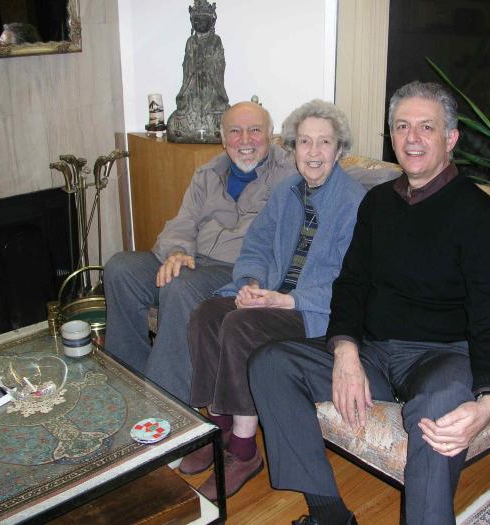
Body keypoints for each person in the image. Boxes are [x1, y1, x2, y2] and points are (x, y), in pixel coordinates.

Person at [248, 81, 490, 525]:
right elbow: (350, 285)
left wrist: (488, 399)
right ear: (391, 136)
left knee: (440, 410)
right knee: (270, 363)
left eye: (426, 127)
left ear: (450, 138)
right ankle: (329, 514)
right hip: (373, 351)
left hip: (440, 356)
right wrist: (346, 351)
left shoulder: (478, 214)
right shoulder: (376, 205)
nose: (412, 138)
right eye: (402, 126)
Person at [178, 100, 367, 501]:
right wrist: (249, 283)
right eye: (304, 142)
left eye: (324, 143)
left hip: (315, 312)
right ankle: (221, 428)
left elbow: (354, 283)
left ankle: (244, 452)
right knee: (208, 313)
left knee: (240, 325)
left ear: (339, 150)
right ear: (293, 148)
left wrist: (286, 301)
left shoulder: (355, 204)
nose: (313, 152)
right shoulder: (286, 192)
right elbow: (256, 248)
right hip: (274, 296)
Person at [104, 101, 296, 403]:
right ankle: (126, 381)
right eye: (235, 131)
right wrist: (178, 252)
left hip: (237, 270)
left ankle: (165, 405)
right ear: (223, 138)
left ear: (271, 135)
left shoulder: (289, 175)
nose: (245, 140)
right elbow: (183, 221)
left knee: (180, 286)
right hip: (195, 259)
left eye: (255, 130)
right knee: (120, 268)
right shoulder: (209, 172)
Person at [166, 0, 229, 142]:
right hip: (193, 85)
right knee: (181, 112)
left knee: (220, 109)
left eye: (203, 20)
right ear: (192, 22)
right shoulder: (190, 42)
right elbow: (187, 66)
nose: (199, 23)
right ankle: (187, 127)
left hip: (211, 86)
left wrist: (208, 63)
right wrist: (194, 65)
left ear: (211, 21)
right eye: (196, 20)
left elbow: (219, 64)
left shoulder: (216, 41)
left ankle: (214, 126)